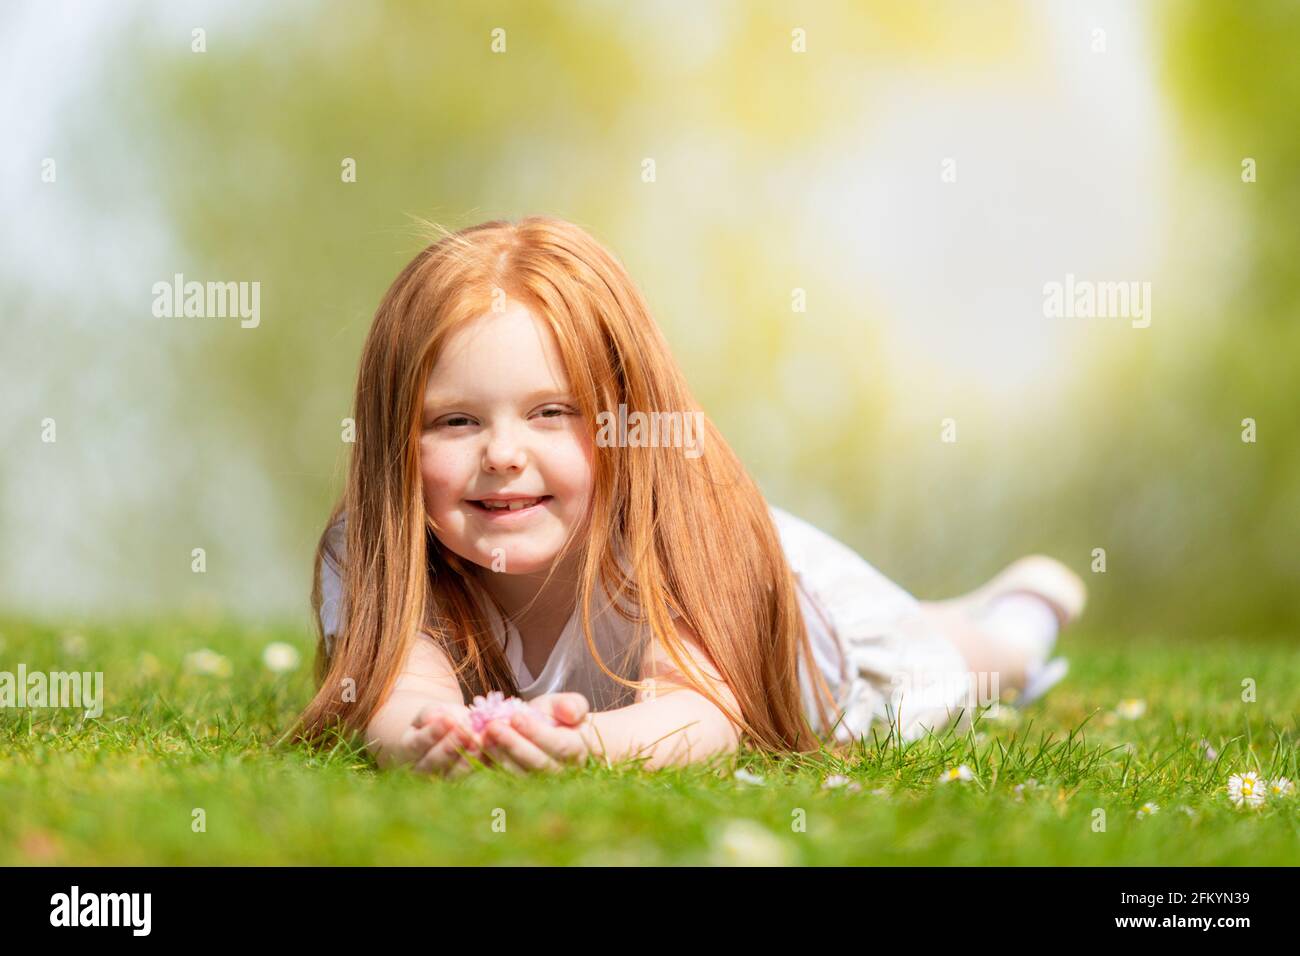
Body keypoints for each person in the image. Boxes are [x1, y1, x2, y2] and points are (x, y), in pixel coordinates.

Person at [292, 216, 1085, 775]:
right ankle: (976, 606)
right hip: (748, 575)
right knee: (940, 622)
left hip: (808, 617)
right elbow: (403, 694)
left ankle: (1028, 608)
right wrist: (429, 741)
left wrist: (586, 747)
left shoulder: (672, 544)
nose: (504, 455)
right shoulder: (378, 549)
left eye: (552, 413)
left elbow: (700, 716)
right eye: (456, 421)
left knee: (964, 660)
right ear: (397, 439)